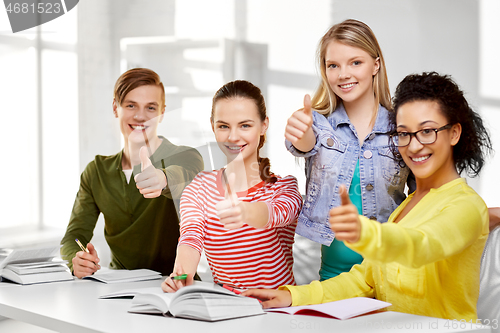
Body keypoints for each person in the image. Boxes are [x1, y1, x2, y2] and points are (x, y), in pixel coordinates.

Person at [244, 72, 492, 321]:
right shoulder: (406, 207)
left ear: (454, 133)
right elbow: (364, 279)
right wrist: (291, 297)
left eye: (427, 131)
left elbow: (422, 245)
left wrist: (363, 232)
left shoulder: (466, 205)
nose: (414, 146)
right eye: (404, 134)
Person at [284, 19, 414, 280]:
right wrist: (300, 133)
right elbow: (306, 143)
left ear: (375, 65)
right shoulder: (318, 124)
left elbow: (424, 193)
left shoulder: (402, 128)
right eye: (333, 65)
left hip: (391, 272)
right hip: (334, 276)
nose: (343, 74)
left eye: (355, 62)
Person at [61, 68, 204, 278]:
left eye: (151, 108)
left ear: (162, 112)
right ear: (115, 108)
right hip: (117, 289)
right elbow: (73, 236)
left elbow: (184, 177)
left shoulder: (186, 157)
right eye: (130, 105)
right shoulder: (97, 172)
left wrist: (163, 179)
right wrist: (76, 258)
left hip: (175, 289)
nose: (140, 116)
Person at [162, 80, 302, 292]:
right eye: (223, 126)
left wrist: (245, 211)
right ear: (213, 126)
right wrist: (181, 275)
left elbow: (279, 213)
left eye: (245, 125)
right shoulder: (199, 188)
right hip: (226, 310)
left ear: (264, 125)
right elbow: (191, 236)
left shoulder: (283, 187)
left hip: (278, 313)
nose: (233, 137)